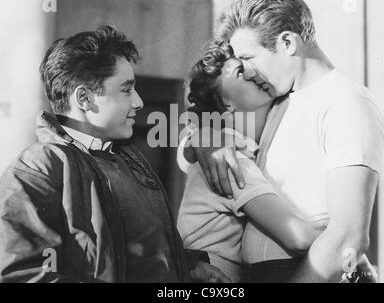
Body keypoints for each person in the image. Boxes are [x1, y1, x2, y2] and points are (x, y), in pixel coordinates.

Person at [179, 0, 384, 282]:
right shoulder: (278, 100)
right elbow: (195, 133)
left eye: (247, 59)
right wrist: (205, 134)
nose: (246, 71)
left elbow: (348, 235)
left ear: (287, 42)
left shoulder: (347, 102)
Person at [0, 25, 230, 283]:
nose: (139, 102)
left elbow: (128, 248)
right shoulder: (35, 171)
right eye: (126, 89)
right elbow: (20, 275)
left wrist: (186, 266)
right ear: (84, 99)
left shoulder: (128, 159)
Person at [177, 41, 325, 282]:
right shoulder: (230, 159)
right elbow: (298, 238)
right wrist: (347, 247)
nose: (253, 73)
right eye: (240, 72)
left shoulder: (231, 147)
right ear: (227, 102)